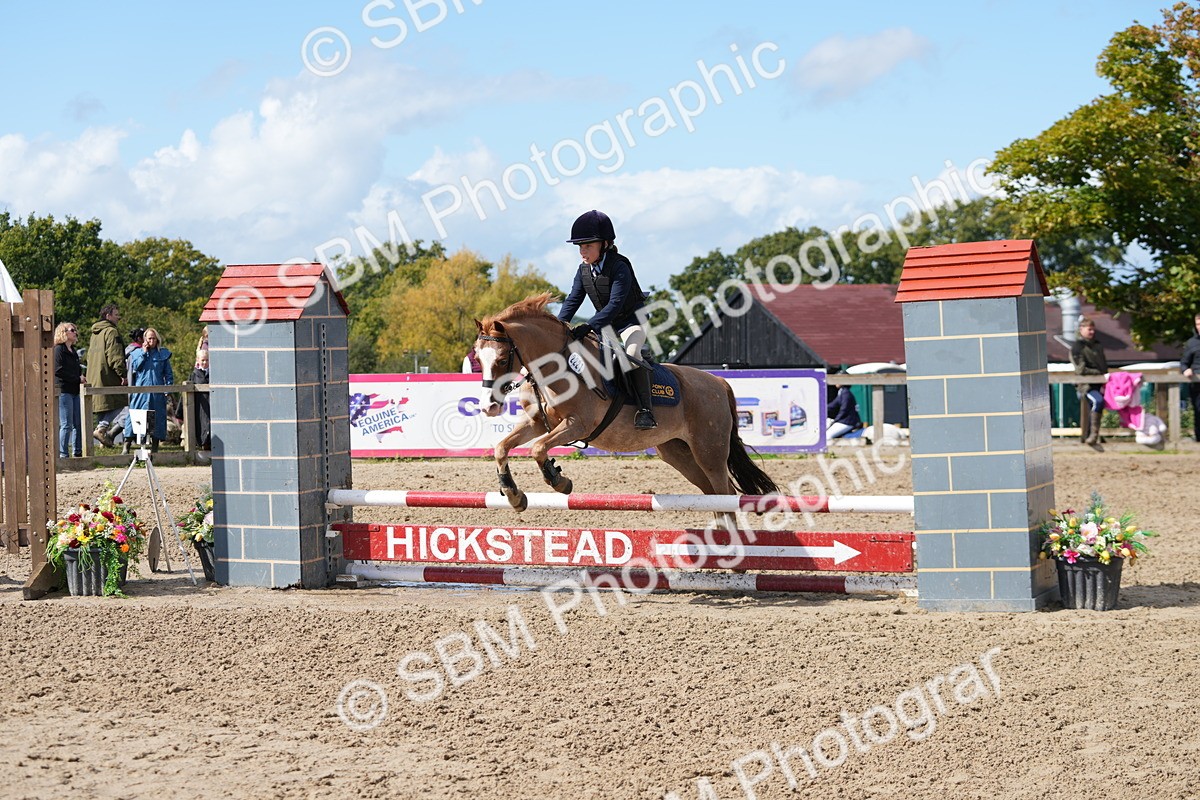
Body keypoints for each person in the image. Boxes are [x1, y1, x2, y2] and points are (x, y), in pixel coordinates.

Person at [556, 210, 656, 429]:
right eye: (580, 247)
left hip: (631, 321)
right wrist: (557, 326)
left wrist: (589, 325)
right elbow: (573, 300)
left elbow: (615, 305)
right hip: (606, 324)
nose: (583, 252)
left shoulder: (620, 266)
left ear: (604, 244)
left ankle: (646, 411)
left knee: (632, 355)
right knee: (592, 357)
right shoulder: (583, 270)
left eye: (588, 246)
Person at [124, 327, 174, 451]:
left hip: (157, 393)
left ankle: (154, 447)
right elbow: (136, 367)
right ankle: (127, 445)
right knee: (134, 416)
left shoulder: (162, 354)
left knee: (156, 418)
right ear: (145, 339)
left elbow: (168, 374)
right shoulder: (137, 353)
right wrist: (144, 353)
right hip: (140, 392)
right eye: (149, 338)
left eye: (154, 339)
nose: (152, 341)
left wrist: (167, 389)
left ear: (157, 340)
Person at [85, 304, 127, 447]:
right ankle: (102, 428)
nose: (119, 317)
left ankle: (102, 438)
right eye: (116, 314)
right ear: (108, 316)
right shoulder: (111, 332)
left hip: (94, 376)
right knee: (121, 402)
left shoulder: (95, 334)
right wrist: (122, 374)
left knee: (102, 406)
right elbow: (115, 356)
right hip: (108, 376)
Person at [1070, 316, 1108, 446]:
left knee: (1102, 405)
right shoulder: (1077, 347)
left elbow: (1103, 365)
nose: (1092, 332)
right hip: (1086, 385)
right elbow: (1081, 369)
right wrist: (1099, 373)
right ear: (1081, 329)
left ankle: (1093, 435)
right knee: (1098, 401)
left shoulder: (1098, 345)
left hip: (1101, 383)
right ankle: (1092, 435)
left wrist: (1104, 376)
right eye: (1089, 329)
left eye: (1093, 329)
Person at [53, 322, 86, 458]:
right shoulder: (58, 350)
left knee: (78, 423)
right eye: (72, 330)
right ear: (63, 332)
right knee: (66, 424)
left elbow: (77, 370)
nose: (75, 332)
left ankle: (77, 452)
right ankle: (63, 454)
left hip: (75, 390)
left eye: (75, 330)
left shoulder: (73, 351)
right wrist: (77, 378)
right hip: (64, 390)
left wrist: (81, 377)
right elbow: (58, 370)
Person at [1182, 311, 1200, 442]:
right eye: (1198, 324)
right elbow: (1184, 363)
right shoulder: (1191, 343)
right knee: (1198, 411)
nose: (1199, 327)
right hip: (1197, 383)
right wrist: (1185, 370)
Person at [191, 349, 211, 450]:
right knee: (201, 424)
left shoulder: (214, 374)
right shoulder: (194, 374)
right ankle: (202, 444)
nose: (205, 362)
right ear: (198, 360)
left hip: (211, 403)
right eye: (203, 360)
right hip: (200, 404)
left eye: (207, 360)